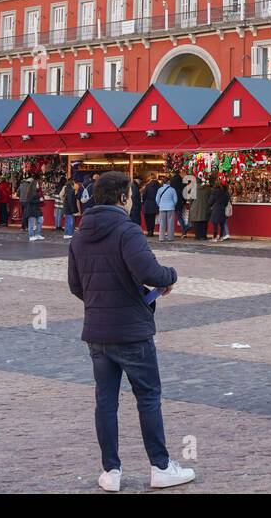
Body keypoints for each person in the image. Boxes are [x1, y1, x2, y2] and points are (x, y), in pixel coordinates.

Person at [67, 171, 194, 491]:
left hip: (97, 332)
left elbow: (76, 285)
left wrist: (103, 300)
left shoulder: (80, 234)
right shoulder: (127, 230)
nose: (134, 201)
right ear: (123, 198)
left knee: (105, 401)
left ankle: (111, 471)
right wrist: (171, 274)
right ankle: (161, 466)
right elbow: (150, 271)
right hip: (131, 332)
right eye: (132, 196)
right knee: (148, 397)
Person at [156, 175, 179, 241]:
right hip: (170, 207)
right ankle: (170, 237)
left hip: (162, 207)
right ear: (168, 182)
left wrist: (160, 205)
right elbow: (175, 200)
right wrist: (172, 205)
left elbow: (157, 199)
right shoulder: (172, 190)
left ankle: (161, 237)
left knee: (162, 223)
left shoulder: (160, 189)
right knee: (170, 223)